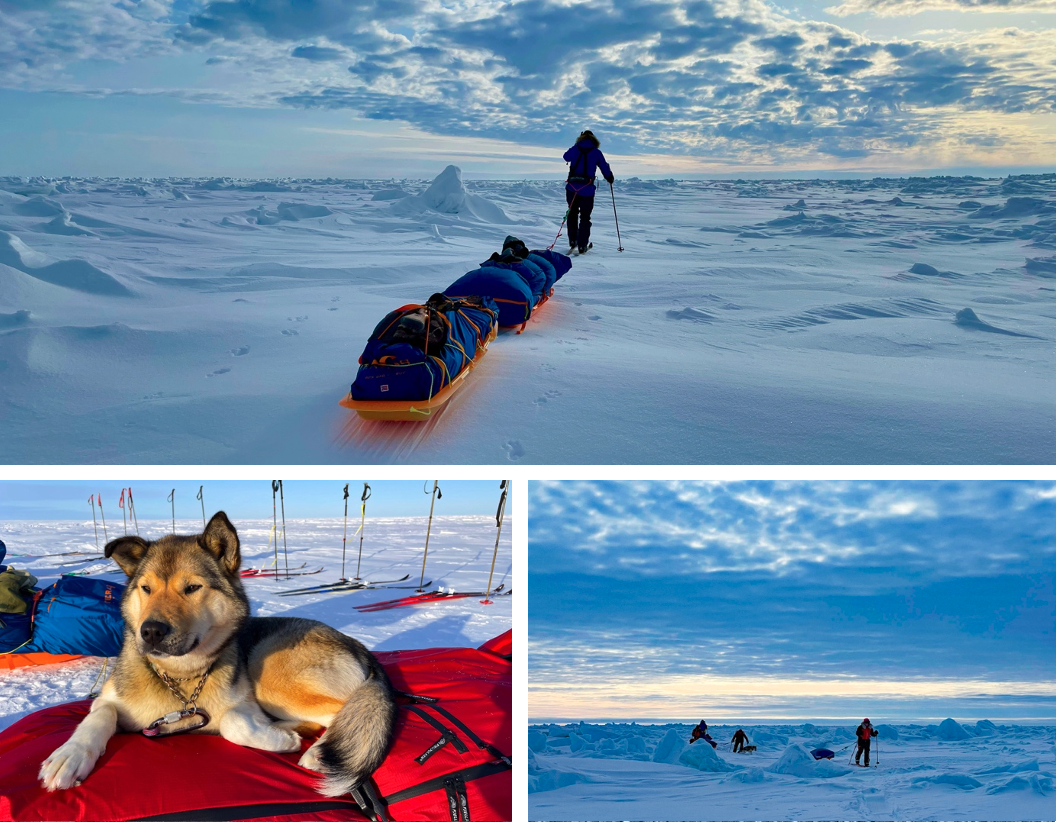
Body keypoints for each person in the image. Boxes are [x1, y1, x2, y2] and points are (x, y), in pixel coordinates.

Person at [562, 129, 614, 255]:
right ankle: (582, 245)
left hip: (572, 188)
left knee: (572, 213)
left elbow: (566, 157)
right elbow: (604, 167)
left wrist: (576, 145)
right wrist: (610, 177)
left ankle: (573, 241)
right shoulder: (596, 152)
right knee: (585, 217)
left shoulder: (576, 148)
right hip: (587, 190)